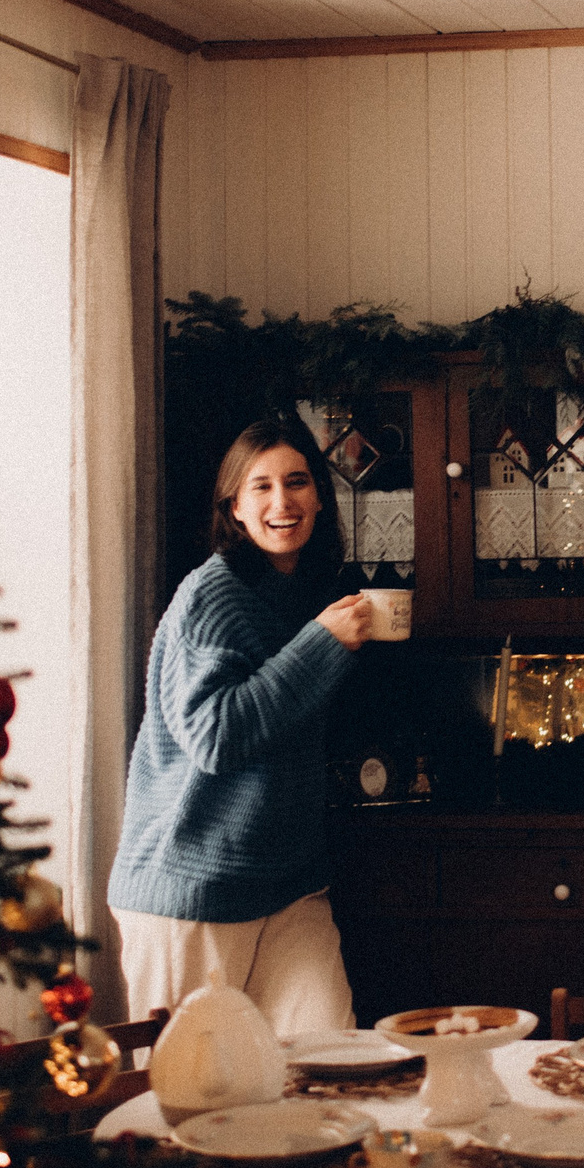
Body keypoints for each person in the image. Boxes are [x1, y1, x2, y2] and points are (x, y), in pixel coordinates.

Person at [107, 416, 373, 1035]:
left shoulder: (302, 591)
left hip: (288, 884)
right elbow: (215, 738)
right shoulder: (213, 593)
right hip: (192, 886)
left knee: (328, 1061)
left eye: (298, 482)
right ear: (236, 506)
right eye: (262, 486)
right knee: (184, 1096)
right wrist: (321, 646)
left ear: (319, 495)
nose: (283, 502)